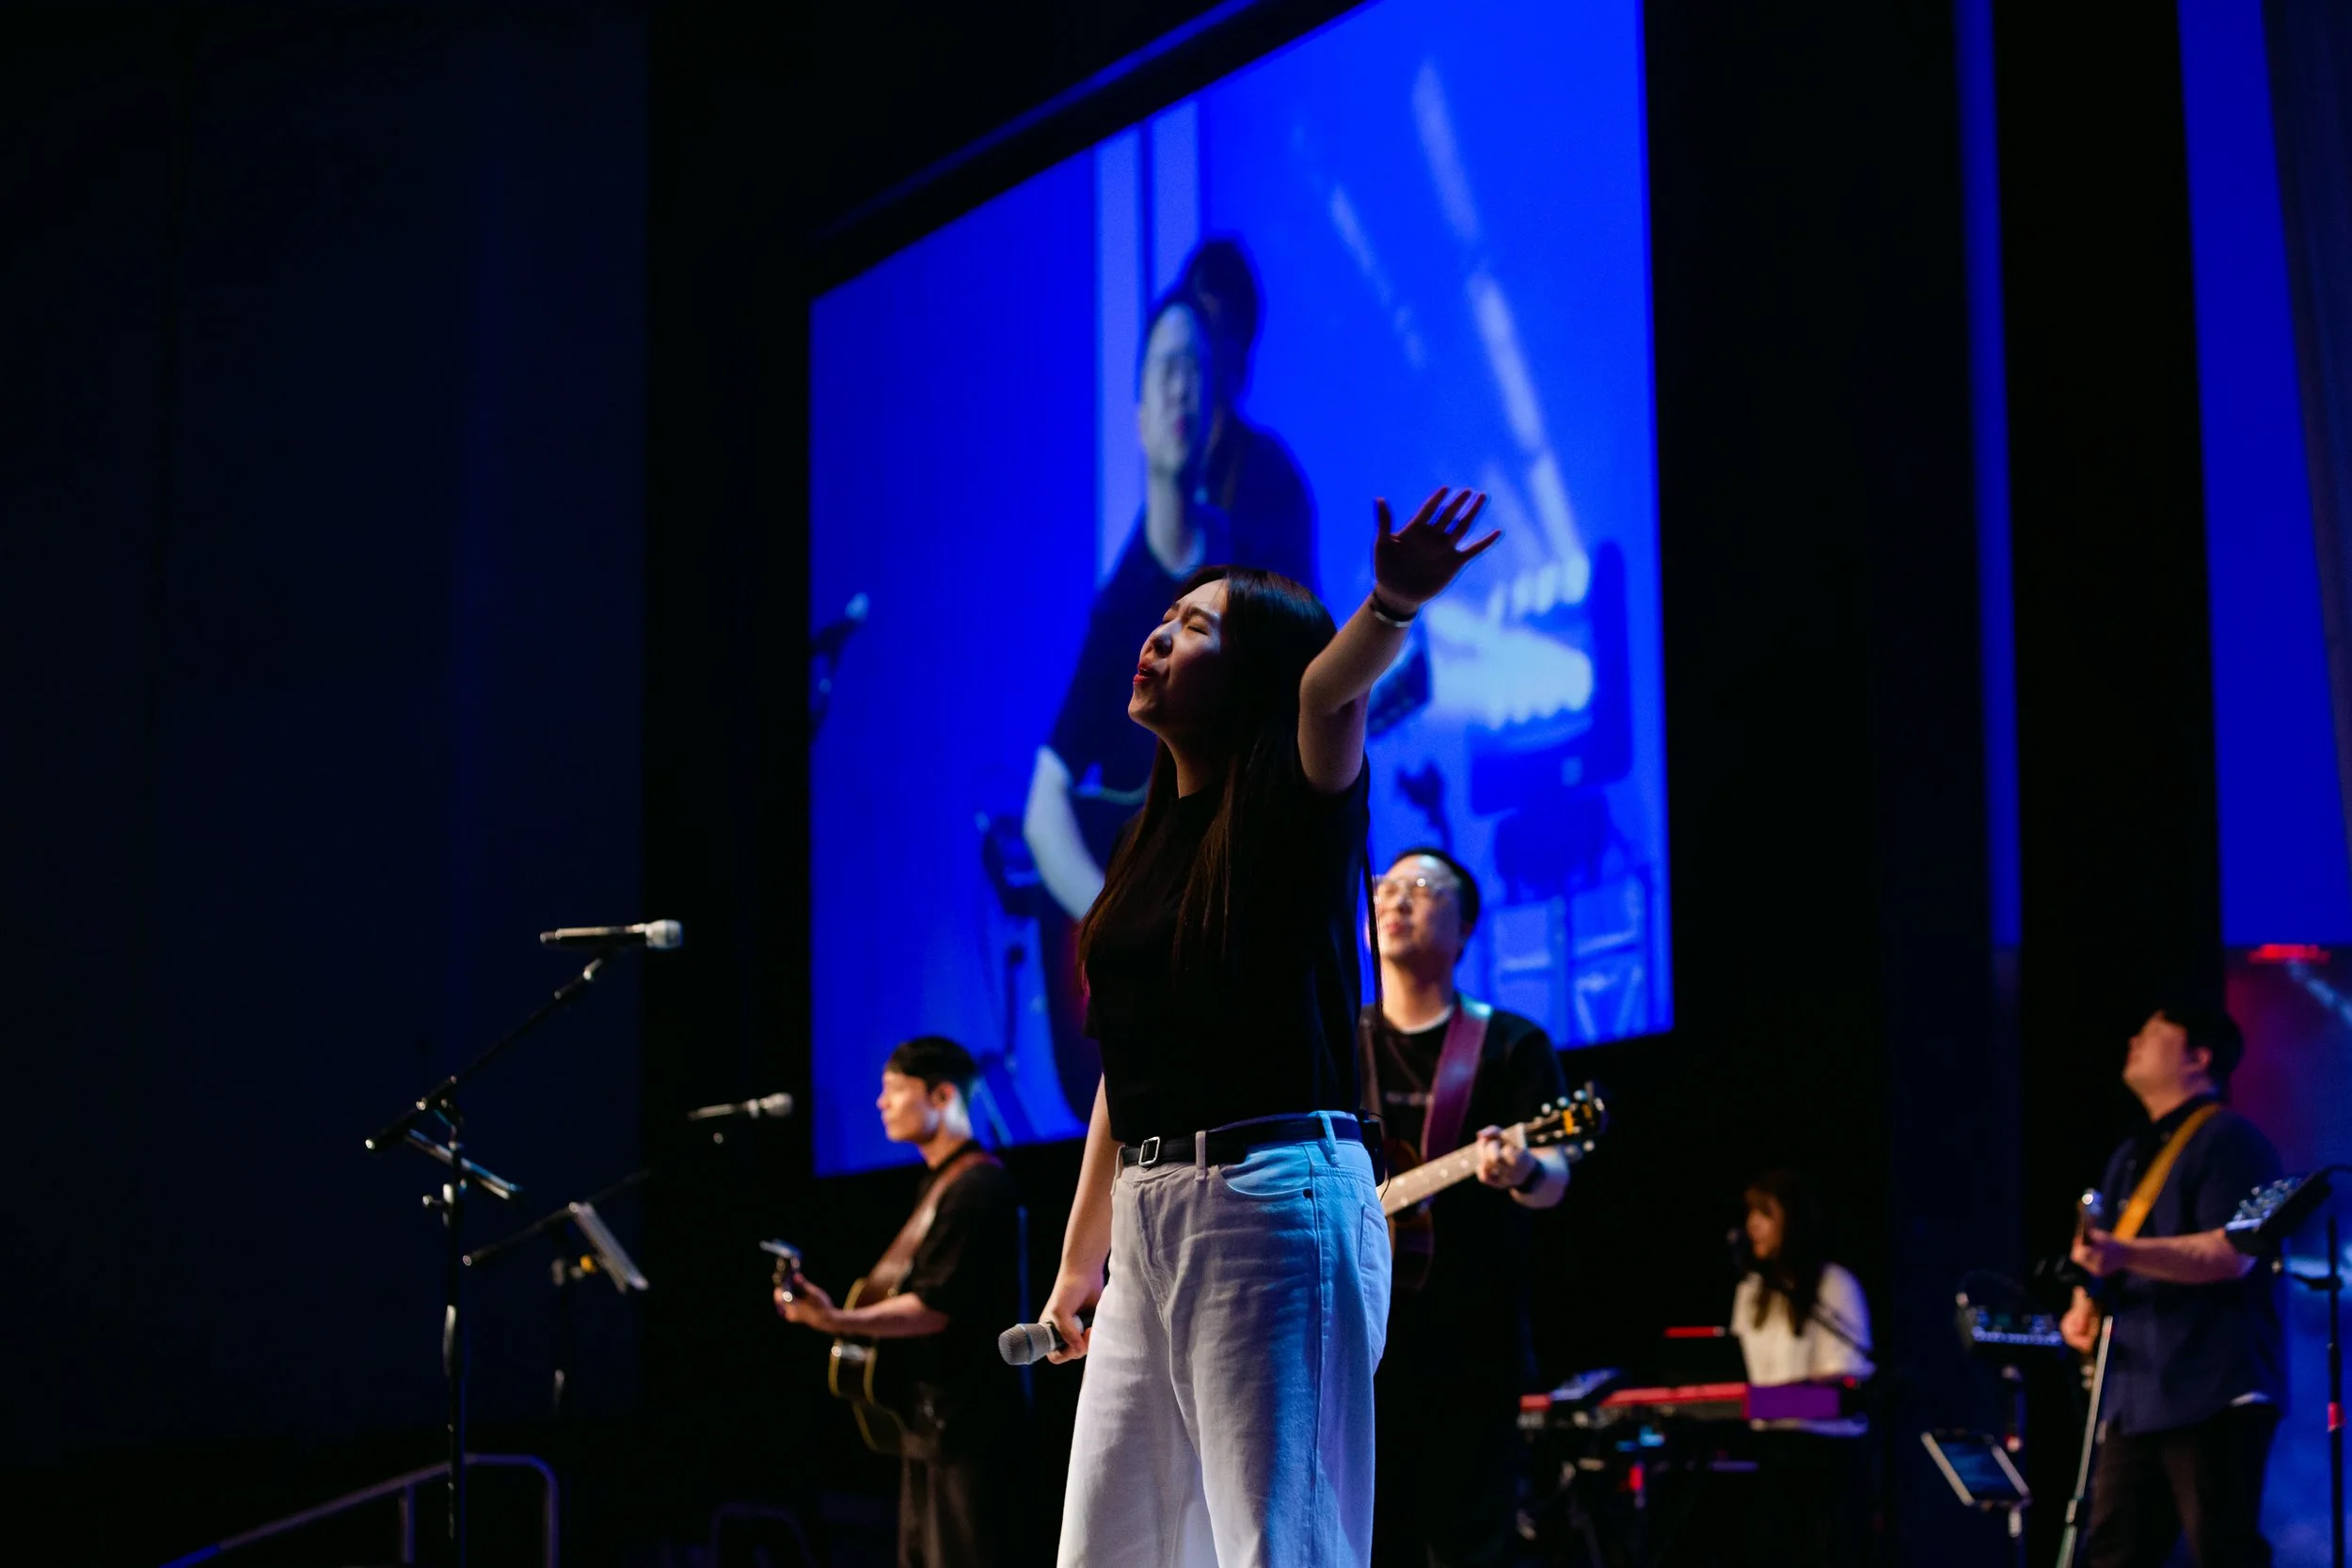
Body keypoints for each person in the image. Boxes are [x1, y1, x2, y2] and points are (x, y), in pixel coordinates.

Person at [1036, 487, 1502, 1568]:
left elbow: (1330, 695)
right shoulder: (1149, 841)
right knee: (1105, 1547)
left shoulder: (1294, 800)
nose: (1159, 635)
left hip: (1270, 1202)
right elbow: (1127, 1071)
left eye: (1196, 626)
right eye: (1164, 618)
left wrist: (1389, 604)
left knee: (1275, 1545)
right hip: (1151, 1213)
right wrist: (1076, 1265)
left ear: (1252, 674)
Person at [1025, 265, 1320, 1120]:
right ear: (1138, 415)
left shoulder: (1254, 554)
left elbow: (1309, 689)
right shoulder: (1121, 604)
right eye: (1163, 369)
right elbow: (1044, 803)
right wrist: (1113, 922)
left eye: (1196, 367)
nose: (1182, 388)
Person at [1363, 847, 1572, 1568]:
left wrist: (1524, 1167)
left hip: (1472, 1353)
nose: (1396, 900)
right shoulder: (1336, 1044)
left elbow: (1555, 1176)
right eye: (1386, 887)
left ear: (1466, 927)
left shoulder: (1511, 1045)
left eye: (1422, 887)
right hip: (1360, 1351)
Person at [775, 1037, 1026, 1568]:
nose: (881, 1102)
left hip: (968, 1431)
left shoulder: (977, 1188)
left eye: (894, 1089)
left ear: (941, 1095)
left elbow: (934, 1308)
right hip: (933, 1428)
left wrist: (835, 1319)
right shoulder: (941, 1184)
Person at [2060, 1001, 2284, 1568]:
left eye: (2154, 1032)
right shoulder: (2130, 1154)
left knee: (2222, 1549)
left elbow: (2232, 1255)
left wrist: (2120, 1254)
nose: (2134, 1041)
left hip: (2212, 1388)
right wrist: (2083, 1302)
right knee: (2113, 1552)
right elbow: (2110, 1254)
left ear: (2198, 1057)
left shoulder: (2229, 1139)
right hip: (2136, 1395)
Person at [1730, 1169, 1874, 1568]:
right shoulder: (1750, 1291)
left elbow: (1845, 1384)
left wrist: (1770, 1400)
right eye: (1750, 1214)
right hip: (1766, 1450)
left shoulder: (1834, 1285)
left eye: (1765, 1213)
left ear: (1792, 1220)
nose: (1752, 1225)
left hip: (1824, 1456)